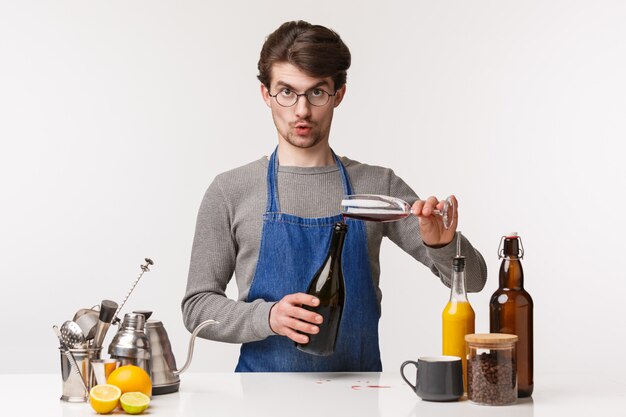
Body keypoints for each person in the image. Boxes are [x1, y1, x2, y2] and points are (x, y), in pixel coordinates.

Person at [182, 20, 487, 372]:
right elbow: (197, 307)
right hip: (260, 398)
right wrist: (267, 317)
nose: (301, 110)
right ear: (266, 94)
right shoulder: (230, 190)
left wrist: (443, 245)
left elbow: (475, 281)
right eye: (286, 92)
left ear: (338, 94)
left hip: (358, 396)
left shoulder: (378, 186)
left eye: (317, 92)